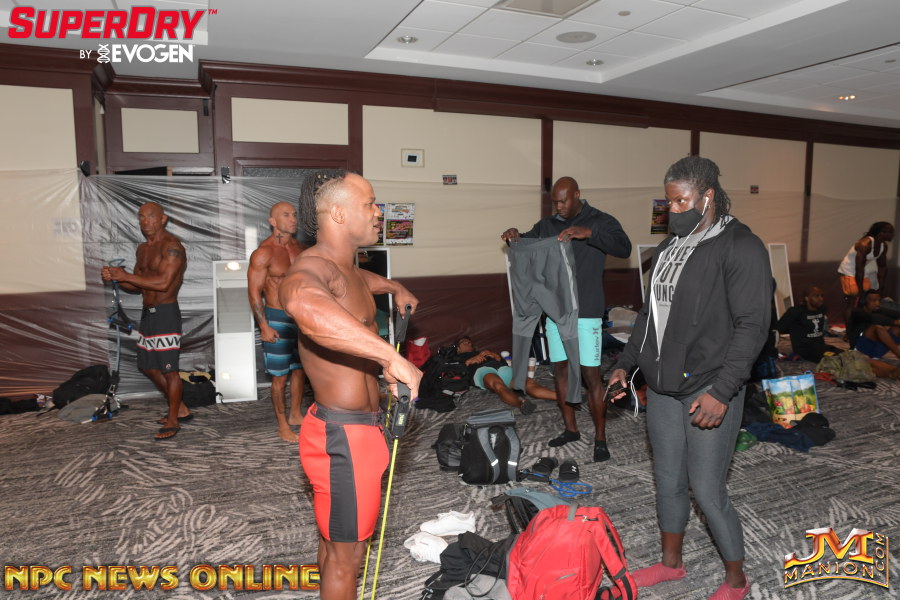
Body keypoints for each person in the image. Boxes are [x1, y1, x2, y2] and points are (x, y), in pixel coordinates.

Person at [607, 156, 771, 600]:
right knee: (668, 479)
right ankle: (670, 565)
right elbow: (649, 317)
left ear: (707, 196)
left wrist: (723, 391)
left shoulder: (741, 247)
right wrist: (626, 364)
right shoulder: (667, 249)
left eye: (681, 201)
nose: (673, 211)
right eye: (669, 202)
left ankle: (736, 581)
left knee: (707, 489)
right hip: (663, 386)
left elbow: (753, 326)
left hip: (710, 385)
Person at [280, 170, 422, 600]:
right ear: (339, 213)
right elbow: (302, 301)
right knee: (348, 557)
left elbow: (364, 284)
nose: (379, 212)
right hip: (342, 437)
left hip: (360, 430)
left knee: (336, 542)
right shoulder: (312, 267)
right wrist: (390, 357)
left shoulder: (349, 269)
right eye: (370, 204)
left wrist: (395, 287)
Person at [501, 176, 631, 462]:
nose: (559, 207)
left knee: (590, 375)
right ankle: (571, 429)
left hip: (586, 311)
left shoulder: (600, 220)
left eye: (563, 201)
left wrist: (590, 234)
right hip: (556, 310)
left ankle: (600, 438)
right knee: (560, 370)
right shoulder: (547, 225)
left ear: (577, 195)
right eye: (555, 202)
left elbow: (624, 248)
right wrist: (515, 236)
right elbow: (527, 241)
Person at [101, 201, 189, 440]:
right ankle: (180, 408)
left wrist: (126, 275)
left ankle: (174, 419)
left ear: (163, 219)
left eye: (151, 217)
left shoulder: (172, 247)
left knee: (170, 370)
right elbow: (138, 285)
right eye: (141, 217)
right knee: (147, 365)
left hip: (166, 313)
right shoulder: (142, 249)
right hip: (148, 313)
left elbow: (163, 283)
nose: (146, 221)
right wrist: (117, 278)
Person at [248, 201, 309, 442]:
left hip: (301, 317)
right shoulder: (265, 252)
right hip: (276, 317)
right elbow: (254, 292)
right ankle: (282, 425)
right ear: (273, 221)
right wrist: (263, 326)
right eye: (286, 215)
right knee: (280, 376)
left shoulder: (300, 249)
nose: (293, 219)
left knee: (300, 370)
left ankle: (295, 414)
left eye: (294, 214)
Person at [454, 336, 555, 414]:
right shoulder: (455, 358)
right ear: (458, 348)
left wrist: (496, 356)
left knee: (528, 382)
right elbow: (455, 374)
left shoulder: (482, 352)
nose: (467, 343)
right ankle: (522, 404)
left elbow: (504, 362)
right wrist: (468, 362)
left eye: (469, 342)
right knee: (498, 386)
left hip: (501, 368)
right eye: (463, 342)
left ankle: (560, 397)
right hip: (482, 370)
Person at [838, 221, 894, 325]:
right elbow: (859, 268)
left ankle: (860, 327)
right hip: (849, 271)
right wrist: (860, 289)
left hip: (863, 272)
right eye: (890, 232)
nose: (892, 235)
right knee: (853, 301)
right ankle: (849, 330)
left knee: (864, 301)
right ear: (881, 233)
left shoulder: (883, 246)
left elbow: (882, 267)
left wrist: (881, 287)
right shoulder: (865, 244)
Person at [775, 286, 842, 362]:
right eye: (816, 296)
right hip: (805, 349)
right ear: (807, 298)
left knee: (844, 354)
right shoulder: (795, 312)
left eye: (822, 296)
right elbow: (778, 328)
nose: (821, 298)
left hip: (820, 346)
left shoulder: (822, 308)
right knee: (832, 360)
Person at [848, 290, 900, 361]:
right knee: (876, 328)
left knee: (898, 329)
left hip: (875, 350)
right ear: (864, 302)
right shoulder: (857, 312)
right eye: (874, 300)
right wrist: (894, 322)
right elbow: (873, 318)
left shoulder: (877, 309)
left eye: (879, 300)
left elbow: (895, 313)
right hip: (859, 350)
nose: (877, 303)